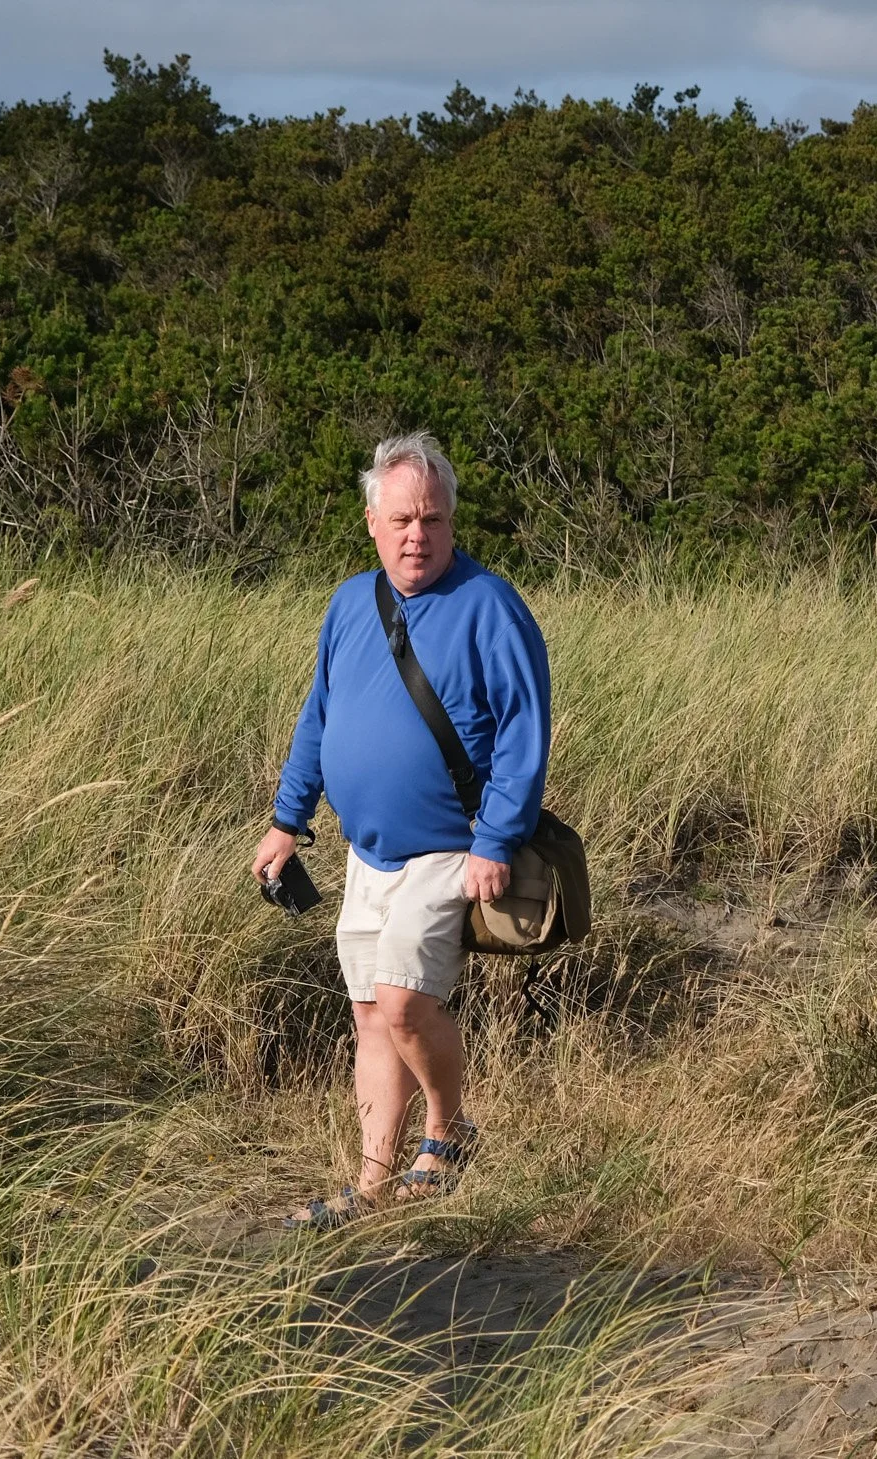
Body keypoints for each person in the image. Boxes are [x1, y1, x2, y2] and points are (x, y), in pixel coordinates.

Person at [252, 430, 551, 1230]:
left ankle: (448, 1134)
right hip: (367, 852)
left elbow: (524, 732)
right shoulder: (351, 602)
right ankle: (374, 1182)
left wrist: (496, 839)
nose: (418, 535)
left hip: (448, 846)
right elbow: (319, 717)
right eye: (403, 519)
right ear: (371, 520)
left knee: (403, 1001)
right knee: (369, 1013)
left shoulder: (490, 606)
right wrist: (288, 821)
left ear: (452, 522)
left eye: (434, 519)